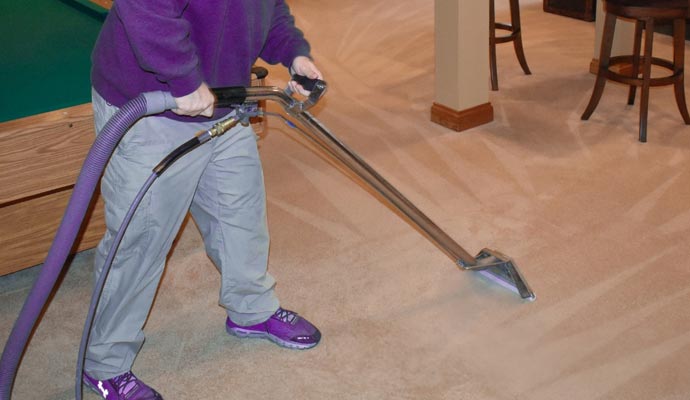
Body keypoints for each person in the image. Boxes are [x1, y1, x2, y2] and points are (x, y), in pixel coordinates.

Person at [82, 1, 323, 398]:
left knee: (239, 212)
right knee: (140, 240)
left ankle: (252, 309)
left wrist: (293, 51)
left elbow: (268, 7)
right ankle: (104, 362)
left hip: (221, 99)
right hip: (152, 106)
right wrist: (183, 77)